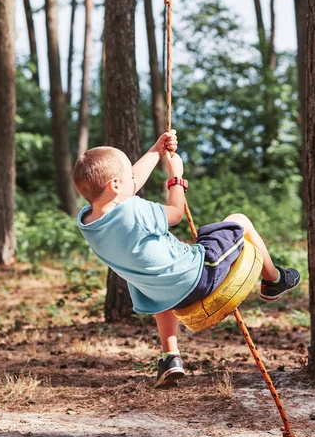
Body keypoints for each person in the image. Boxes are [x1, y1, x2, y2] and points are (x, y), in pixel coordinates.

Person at [73, 131, 300, 388]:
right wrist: (176, 177)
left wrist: (156, 150)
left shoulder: (89, 224)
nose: (134, 180)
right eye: (129, 177)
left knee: (151, 280)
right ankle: (274, 280)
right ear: (115, 185)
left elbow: (128, 184)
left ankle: (170, 356)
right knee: (239, 221)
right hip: (200, 276)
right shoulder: (135, 210)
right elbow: (176, 214)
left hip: (165, 296)